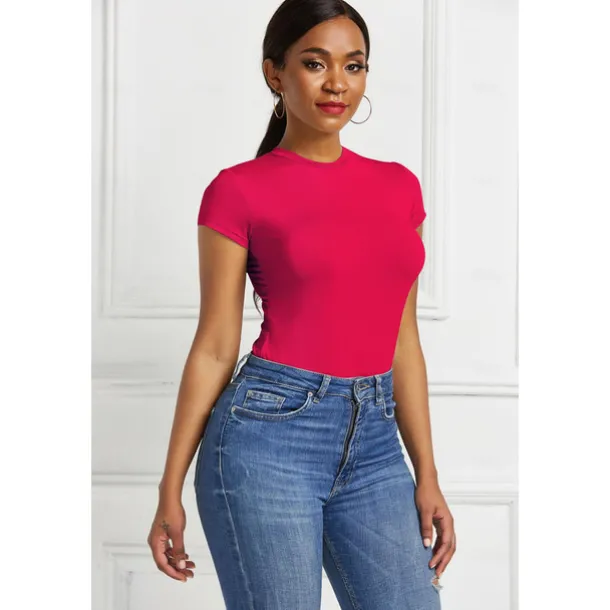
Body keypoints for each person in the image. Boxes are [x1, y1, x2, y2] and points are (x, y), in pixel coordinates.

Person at [147, 0, 456, 607]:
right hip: (268, 438)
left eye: (353, 65)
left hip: (376, 443)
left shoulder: (399, 188)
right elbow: (215, 346)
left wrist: (428, 474)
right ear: (275, 73)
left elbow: (404, 341)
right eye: (315, 63)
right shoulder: (237, 190)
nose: (337, 82)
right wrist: (169, 488)